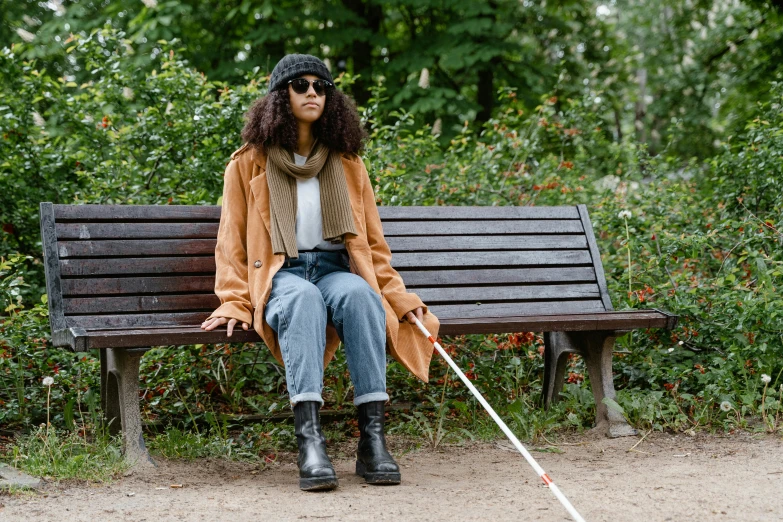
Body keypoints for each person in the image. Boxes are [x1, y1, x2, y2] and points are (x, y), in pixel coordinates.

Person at [200, 54, 440, 491]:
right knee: (304, 299)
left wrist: (402, 300)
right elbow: (231, 242)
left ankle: (373, 443)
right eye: (301, 85)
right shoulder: (247, 163)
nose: (312, 92)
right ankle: (310, 443)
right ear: (279, 97)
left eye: (321, 86)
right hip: (282, 272)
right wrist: (234, 300)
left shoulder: (348, 164)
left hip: (332, 268)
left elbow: (372, 246)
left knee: (363, 298)